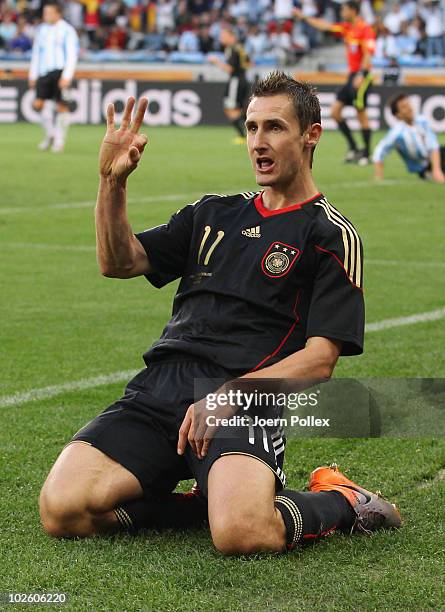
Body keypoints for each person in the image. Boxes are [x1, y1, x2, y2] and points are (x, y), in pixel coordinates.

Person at [39, 72, 401, 553]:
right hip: (160, 388)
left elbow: (320, 360)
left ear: (311, 134)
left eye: (274, 127)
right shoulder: (213, 213)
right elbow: (119, 261)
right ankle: (203, 504)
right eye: (252, 128)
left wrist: (228, 395)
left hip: (242, 400)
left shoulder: (330, 234)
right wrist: (112, 183)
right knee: (63, 509)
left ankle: (343, 499)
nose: (258, 142)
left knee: (243, 534)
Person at [294, 1, 376, 165]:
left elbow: (368, 54)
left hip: (362, 75)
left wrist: (362, 73)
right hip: (351, 75)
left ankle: (367, 153)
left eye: (344, 9)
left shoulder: (365, 29)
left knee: (361, 113)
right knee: (335, 112)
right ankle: (354, 147)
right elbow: (325, 26)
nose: (342, 12)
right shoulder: (347, 28)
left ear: (353, 10)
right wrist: (304, 17)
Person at [28, 1, 79, 153]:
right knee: (38, 105)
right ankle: (50, 134)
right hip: (44, 72)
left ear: (58, 13)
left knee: (61, 106)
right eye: (45, 13)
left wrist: (67, 75)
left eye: (49, 13)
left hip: (60, 71)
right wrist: (32, 74)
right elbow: (36, 54)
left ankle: (59, 140)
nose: (46, 16)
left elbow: (72, 55)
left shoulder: (67, 30)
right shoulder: (41, 30)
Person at [373, 94, 445, 183]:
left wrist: (436, 169)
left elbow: (433, 145)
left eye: (408, 104)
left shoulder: (422, 121)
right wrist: (379, 175)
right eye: (404, 107)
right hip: (425, 168)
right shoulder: (397, 133)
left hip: (437, 159)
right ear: (398, 115)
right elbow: (379, 151)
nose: (409, 108)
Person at [208, 24, 250, 144]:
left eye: (223, 35)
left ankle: (243, 135)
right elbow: (249, 63)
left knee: (230, 108)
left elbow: (230, 69)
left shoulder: (233, 49)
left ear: (231, 36)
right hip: (243, 79)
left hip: (236, 80)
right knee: (240, 108)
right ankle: (249, 131)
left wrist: (216, 62)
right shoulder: (240, 48)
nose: (221, 38)